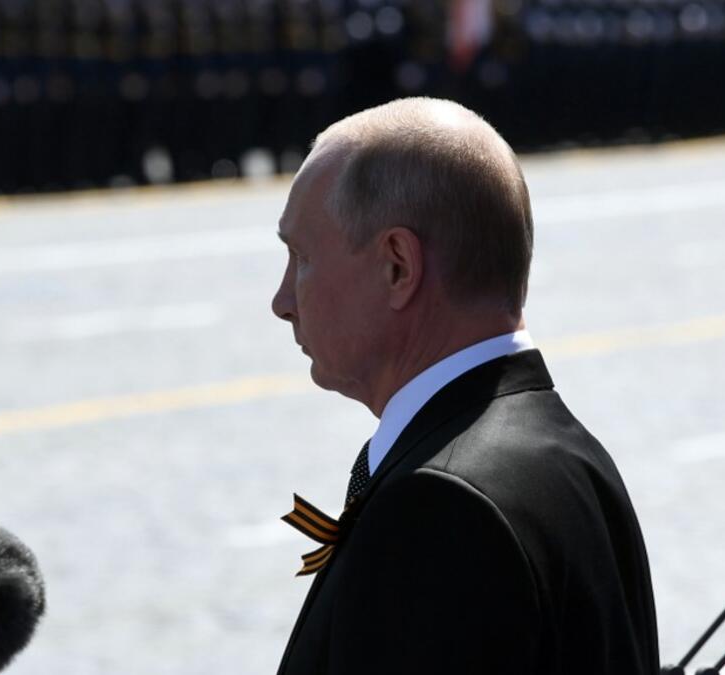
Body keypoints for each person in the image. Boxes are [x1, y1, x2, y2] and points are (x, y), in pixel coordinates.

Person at [271, 97, 659, 675]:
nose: (282, 303)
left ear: (398, 266)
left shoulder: (436, 507)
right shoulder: (573, 456)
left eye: (301, 257)